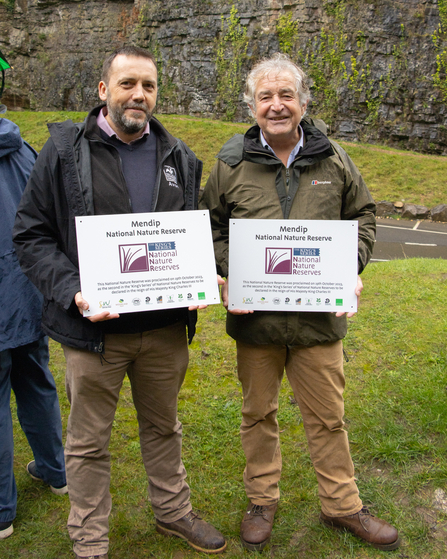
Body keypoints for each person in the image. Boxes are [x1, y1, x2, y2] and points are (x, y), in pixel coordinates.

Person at [13, 46, 226, 558]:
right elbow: (31, 236)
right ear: (104, 90)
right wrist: (73, 291)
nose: (139, 95)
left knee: (163, 427)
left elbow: (184, 238)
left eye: (148, 86)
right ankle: (89, 539)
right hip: (94, 332)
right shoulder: (64, 152)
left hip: (164, 330)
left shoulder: (180, 158)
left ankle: (173, 513)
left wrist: (198, 278)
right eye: (128, 83)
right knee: (87, 443)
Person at [200, 53, 400, 552]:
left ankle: (342, 506)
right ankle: (262, 499)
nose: (276, 105)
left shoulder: (334, 159)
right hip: (257, 324)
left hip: (317, 324)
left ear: (304, 102)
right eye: (265, 96)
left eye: (286, 94)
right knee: (257, 414)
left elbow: (364, 216)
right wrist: (231, 271)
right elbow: (210, 229)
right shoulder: (230, 164)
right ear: (252, 106)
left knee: (328, 417)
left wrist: (348, 265)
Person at [0, 116, 67, 541]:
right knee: (37, 381)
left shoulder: (24, 148)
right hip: (29, 293)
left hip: (19, 291)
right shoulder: (23, 148)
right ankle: (56, 470)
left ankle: (2, 510)